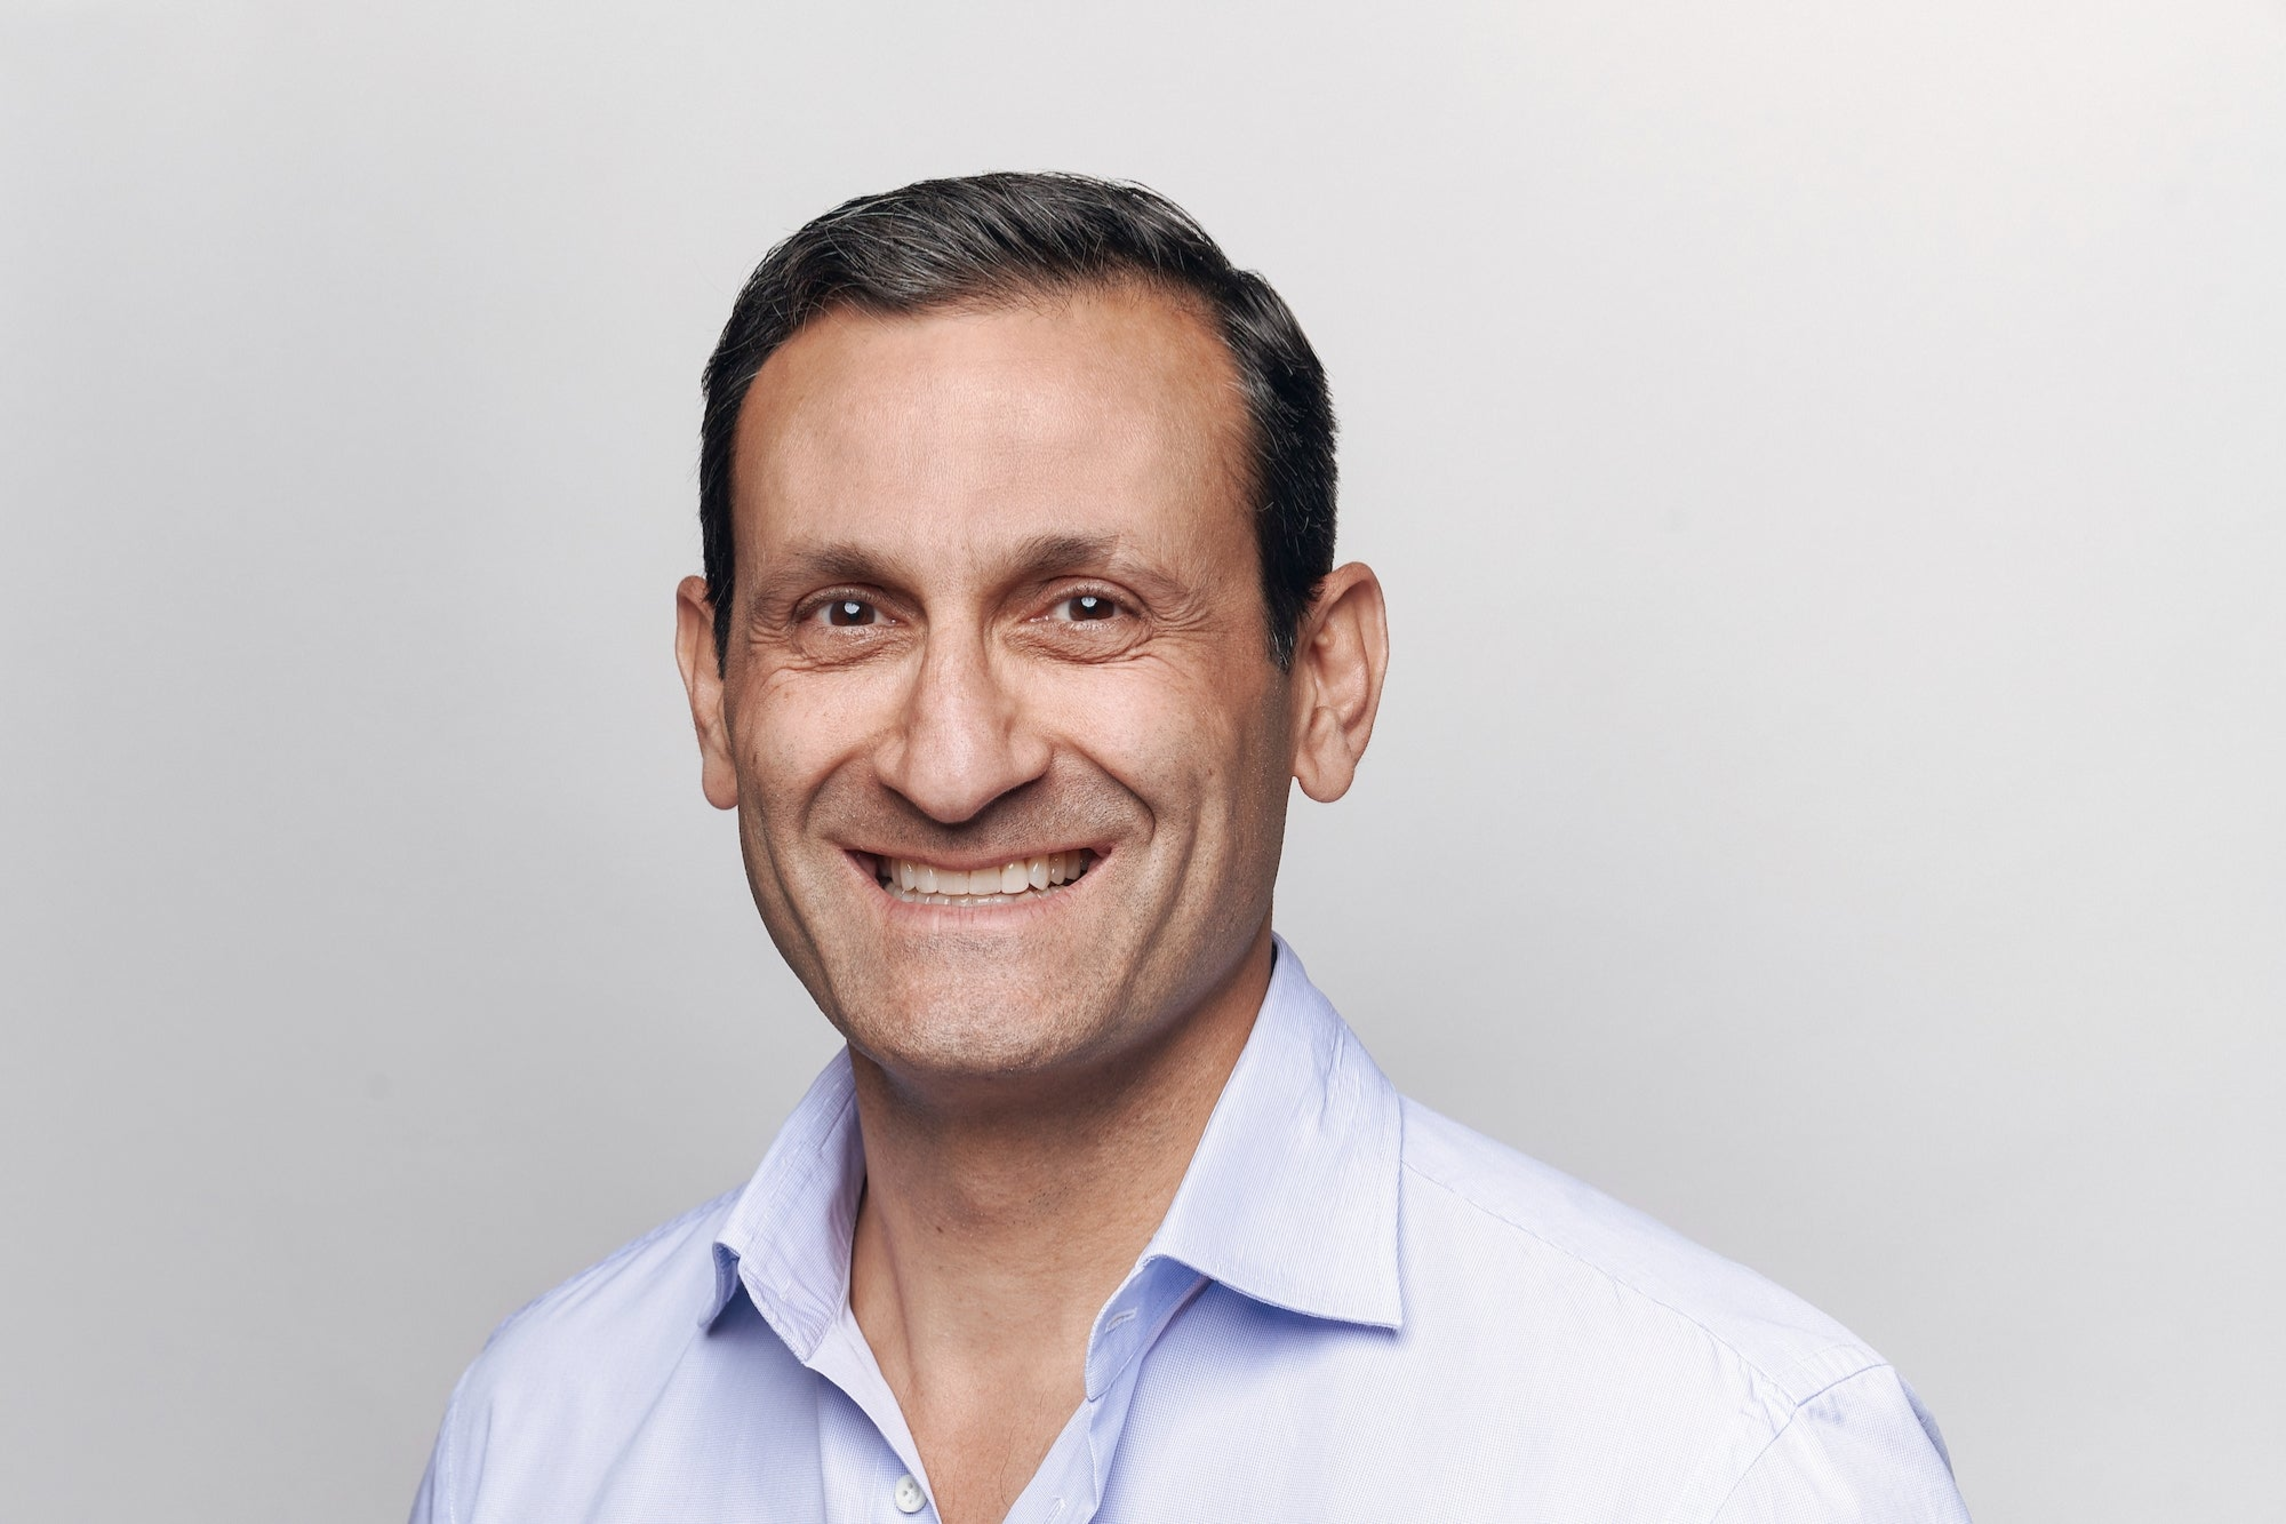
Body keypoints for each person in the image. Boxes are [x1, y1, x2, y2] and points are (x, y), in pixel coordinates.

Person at [409, 172, 1972, 1524]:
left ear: (1327, 683)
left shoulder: (1718, 1465)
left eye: (1085, 609)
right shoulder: (541, 1437)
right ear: (714, 692)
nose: (952, 763)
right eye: (848, 613)